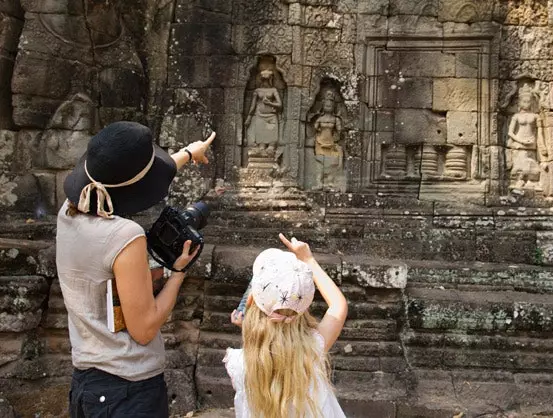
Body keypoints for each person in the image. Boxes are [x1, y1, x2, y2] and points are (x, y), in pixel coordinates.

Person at [56, 121, 218, 417]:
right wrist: (179, 272)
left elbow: (114, 180)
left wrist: (188, 154)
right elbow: (144, 329)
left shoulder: (67, 213)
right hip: (128, 391)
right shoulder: (124, 236)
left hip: (86, 383)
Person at [225, 233, 348, 418]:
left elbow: (266, 353)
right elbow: (338, 305)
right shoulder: (314, 349)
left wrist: (247, 329)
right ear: (305, 307)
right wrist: (309, 260)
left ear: (250, 300)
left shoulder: (239, 363)